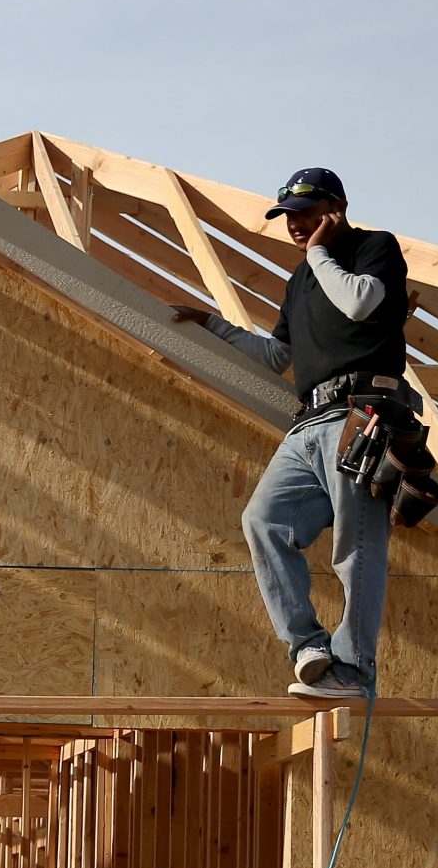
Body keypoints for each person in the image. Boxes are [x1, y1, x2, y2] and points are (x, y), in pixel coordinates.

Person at [172, 167, 415, 700]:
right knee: (263, 520)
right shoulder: (302, 278)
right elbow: (278, 355)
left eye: (305, 213)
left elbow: (360, 303)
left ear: (338, 206)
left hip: (363, 414)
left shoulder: (374, 248)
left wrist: (320, 255)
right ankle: (309, 645)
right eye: (288, 217)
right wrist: (214, 324)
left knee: (356, 548)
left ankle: (353, 672)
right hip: (308, 421)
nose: (296, 225)